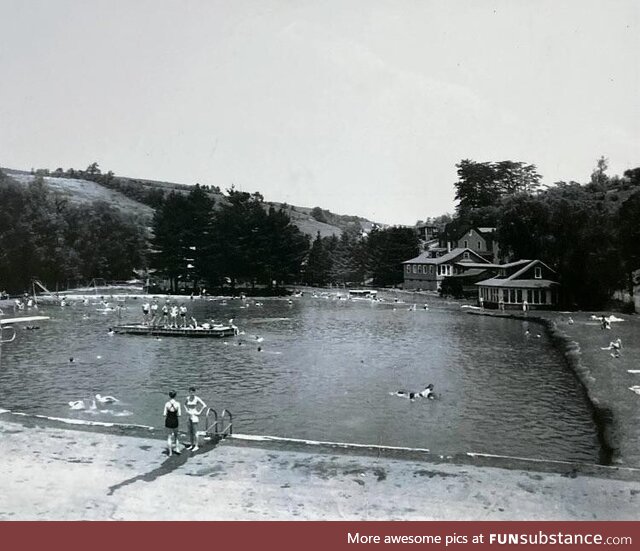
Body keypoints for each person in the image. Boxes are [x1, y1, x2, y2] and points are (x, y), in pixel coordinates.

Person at [184, 387, 207, 452]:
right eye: (191, 392)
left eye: (193, 392)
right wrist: (186, 410)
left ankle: (196, 445)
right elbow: (184, 404)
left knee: (195, 431)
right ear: (189, 392)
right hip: (189, 415)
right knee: (190, 431)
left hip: (194, 415)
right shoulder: (187, 398)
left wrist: (199, 412)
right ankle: (192, 444)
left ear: (194, 392)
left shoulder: (197, 398)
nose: (192, 393)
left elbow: (204, 405)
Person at [163, 391, 182, 456]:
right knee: (176, 436)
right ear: (175, 396)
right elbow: (179, 414)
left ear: (169, 396)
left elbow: (164, 414)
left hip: (168, 420)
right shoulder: (178, 404)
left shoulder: (167, 404)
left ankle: (170, 452)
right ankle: (177, 449)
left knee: (169, 437)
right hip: (175, 420)